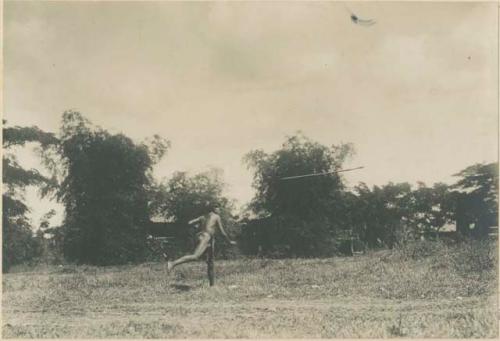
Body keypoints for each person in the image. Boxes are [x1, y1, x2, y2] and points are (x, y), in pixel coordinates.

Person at [167, 206, 236, 272]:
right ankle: (173, 263)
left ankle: (212, 284)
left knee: (210, 261)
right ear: (214, 209)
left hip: (203, 237)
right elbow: (222, 232)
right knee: (195, 256)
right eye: (218, 209)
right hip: (206, 237)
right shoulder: (216, 216)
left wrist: (198, 227)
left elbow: (190, 222)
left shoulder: (203, 216)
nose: (220, 211)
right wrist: (229, 241)